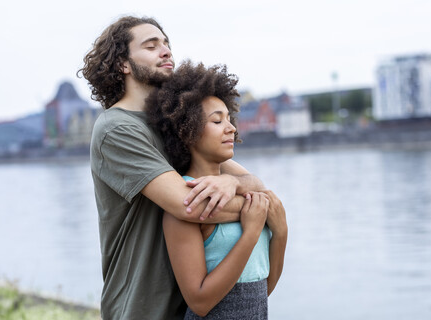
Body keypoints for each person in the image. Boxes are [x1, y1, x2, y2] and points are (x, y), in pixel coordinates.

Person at [79, 15, 271, 320]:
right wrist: (261, 211)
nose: (166, 51)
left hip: (190, 307)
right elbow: (189, 206)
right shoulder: (116, 129)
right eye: (151, 46)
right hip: (142, 308)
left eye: (166, 44)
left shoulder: (170, 126)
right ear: (122, 64)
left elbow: (255, 182)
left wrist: (235, 185)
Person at [146, 61, 288, 319]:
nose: (231, 127)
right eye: (217, 120)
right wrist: (252, 232)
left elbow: (262, 290)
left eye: (229, 119)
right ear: (187, 130)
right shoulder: (187, 200)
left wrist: (281, 233)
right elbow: (200, 302)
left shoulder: (243, 192)